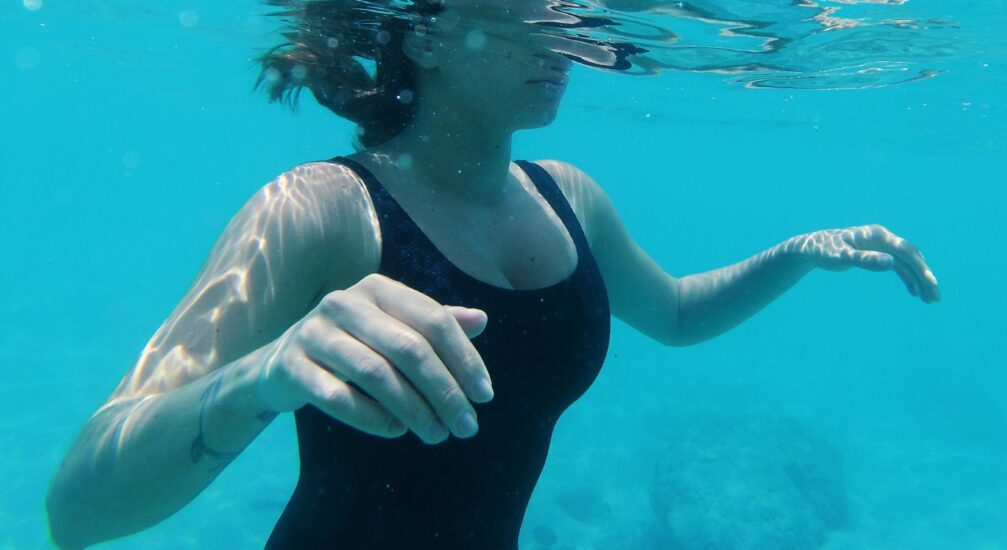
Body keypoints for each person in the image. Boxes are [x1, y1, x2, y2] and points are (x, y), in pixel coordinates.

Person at [45, 1, 940, 548]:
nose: (573, 15)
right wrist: (264, 374)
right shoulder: (321, 210)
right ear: (425, 34)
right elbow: (77, 506)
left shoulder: (569, 200)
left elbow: (672, 313)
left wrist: (794, 255)